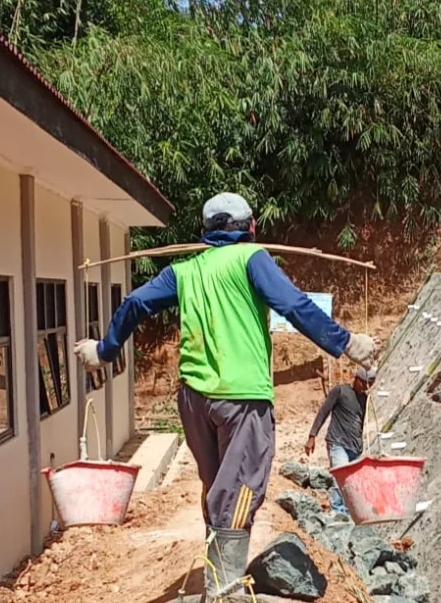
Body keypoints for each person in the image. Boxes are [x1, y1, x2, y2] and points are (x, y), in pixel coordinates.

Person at [74, 193, 377, 601]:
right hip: (243, 399)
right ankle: (225, 590)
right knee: (240, 489)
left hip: (195, 400)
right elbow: (293, 304)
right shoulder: (252, 258)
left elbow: (135, 302)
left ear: (206, 232)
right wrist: (347, 343)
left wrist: (104, 350)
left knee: (216, 485)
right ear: (250, 227)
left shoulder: (184, 271)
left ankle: (218, 571)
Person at [305, 367, 374, 516]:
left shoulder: (364, 398)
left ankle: (349, 515)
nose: (365, 388)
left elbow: (360, 423)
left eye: (369, 385)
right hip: (338, 443)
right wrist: (312, 436)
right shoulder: (340, 391)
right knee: (340, 479)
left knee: (353, 484)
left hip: (354, 448)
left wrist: (359, 444)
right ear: (356, 378)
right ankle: (337, 514)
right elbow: (323, 412)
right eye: (364, 384)